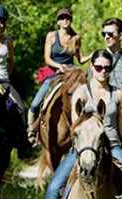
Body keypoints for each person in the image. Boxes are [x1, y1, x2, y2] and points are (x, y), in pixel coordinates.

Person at [32, 51, 122, 199]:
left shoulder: (117, 94)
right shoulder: (81, 92)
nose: (103, 72)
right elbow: (75, 126)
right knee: (54, 188)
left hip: (112, 147)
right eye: (98, 67)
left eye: (107, 68)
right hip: (84, 147)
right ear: (92, 67)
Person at [27, 7, 85, 143]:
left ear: (71, 20)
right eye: (62, 18)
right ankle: (32, 130)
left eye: (67, 18)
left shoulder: (76, 38)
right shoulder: (51, 36)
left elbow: (80, 59)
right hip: (54, 72)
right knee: (36, 104)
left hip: (71, 73)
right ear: (58, 22)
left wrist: (93, 55)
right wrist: (58, 66)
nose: (65, 20)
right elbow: (47, 58)